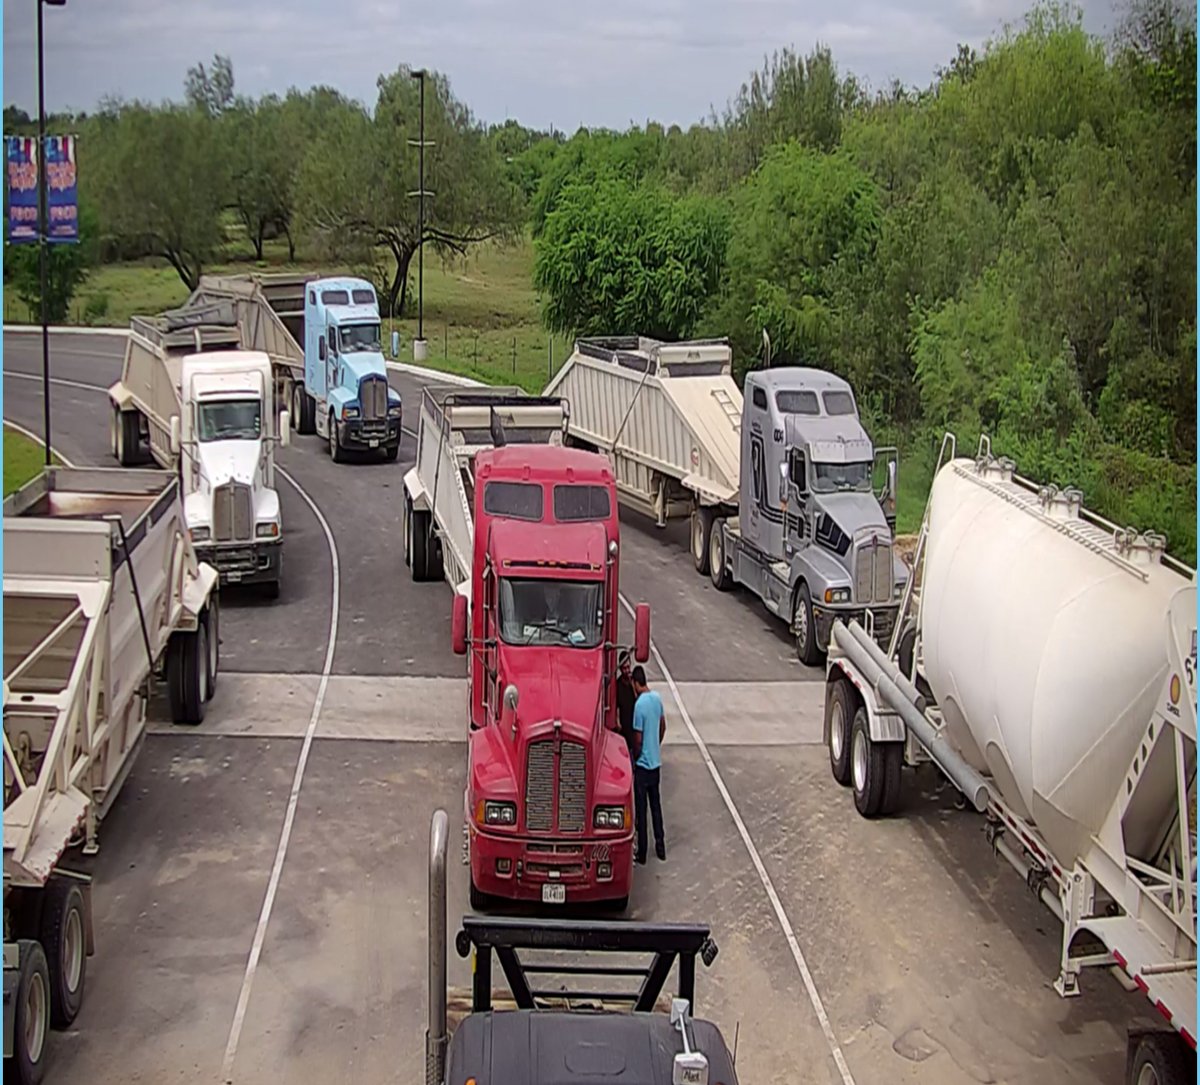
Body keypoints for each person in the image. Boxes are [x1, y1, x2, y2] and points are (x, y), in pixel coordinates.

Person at [630, 665, 666, 864]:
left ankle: (642, 852)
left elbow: (637, 738)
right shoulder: (657, 699)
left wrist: (637, 757)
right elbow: (663, 726)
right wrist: (656, 745)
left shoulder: (639, 706)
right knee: (656, 806)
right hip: (656, 763)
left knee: (641, 811)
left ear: (636, 683)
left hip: (643, 765)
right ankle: (660, 846)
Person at [615, 650, 637, 758]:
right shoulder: (617, 685)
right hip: (624, 727)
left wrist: (632, 685)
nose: (627, 670)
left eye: (628, 667)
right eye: (624, 668)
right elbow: (616, 707)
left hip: (635, 725)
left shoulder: (634, 682)